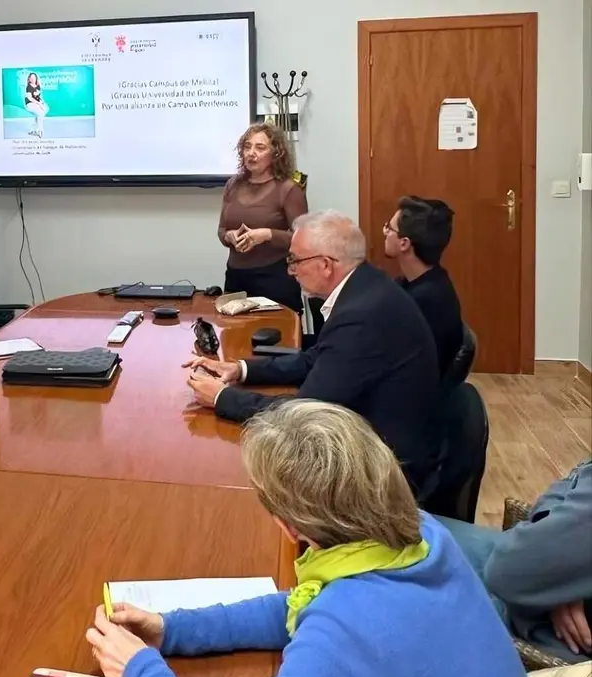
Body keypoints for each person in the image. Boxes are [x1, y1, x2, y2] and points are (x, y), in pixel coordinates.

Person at [84, 400, 536, 677]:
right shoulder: (422, 535)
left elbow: (338, 623)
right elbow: (302, 603)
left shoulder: (347, 633)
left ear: (289, 527)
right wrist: (171, 629)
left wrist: (142, 672)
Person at [186, 210, 441, 494]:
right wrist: (241, 369)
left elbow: (306, 414)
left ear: (325, 265)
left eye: (294, 260)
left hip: (387, 478)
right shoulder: (365, 286)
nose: (290, 270)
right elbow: (317, 357)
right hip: (378, 440)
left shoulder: (361, 315)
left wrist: (223, 398)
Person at [438, 458, 592, 663]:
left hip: (553, 646)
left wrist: (559, 568)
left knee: (411, 542)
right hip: (532, 583)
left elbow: (505, 572)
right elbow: (575, 475)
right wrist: (566, 572)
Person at [217, 122, 308, 312]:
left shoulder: (288, 189)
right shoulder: (233, 185)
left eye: (260, 147)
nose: (251, 153)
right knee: (234, 338)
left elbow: (304, 238)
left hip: (274, 277)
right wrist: (230, 236)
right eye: (247, 146)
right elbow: (222, 230)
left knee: (274, 338)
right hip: (236, 276)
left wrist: (267, 235)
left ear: (276, 153)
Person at [384, 196, 464, 379]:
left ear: (404, 243)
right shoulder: (422, 282)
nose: (385, 232)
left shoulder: (425, 302)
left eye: (389, 228)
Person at [24, 72, 48, 138]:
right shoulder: (28, 87)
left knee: (43, 111)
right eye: (31, 77)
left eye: (34, 77)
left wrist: (41, 102)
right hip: (30, 103)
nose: (32, 79)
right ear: (29, 79)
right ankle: (40, 130)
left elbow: (37, 96)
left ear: (36, 78)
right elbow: (30, 98)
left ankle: (32, 130)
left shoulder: (38, 86)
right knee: (40, 113)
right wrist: (39, 103)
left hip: (36, 102)